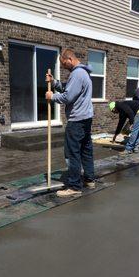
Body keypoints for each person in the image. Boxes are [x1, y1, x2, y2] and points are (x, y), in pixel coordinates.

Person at [46, 49, 94, 197]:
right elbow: (69, 88)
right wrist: (53, 83)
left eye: (64, 63)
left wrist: (52, 96)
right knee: (86, 149)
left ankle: (74, 186)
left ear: (70, 59)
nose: (63, 66)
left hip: (77, 120)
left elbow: (68, 97)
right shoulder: (83, 73)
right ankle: (89, 179)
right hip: (86, 118)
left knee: (72, 153)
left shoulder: (77, 74)